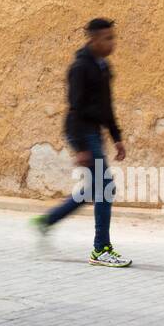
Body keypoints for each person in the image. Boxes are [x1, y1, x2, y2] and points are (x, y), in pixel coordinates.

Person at [32, 18, 132, 266]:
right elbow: (74, 107)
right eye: (107, 38)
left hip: (94, 133)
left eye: (113, 37)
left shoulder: (103, 67)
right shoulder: (80, 68)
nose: (112, 43)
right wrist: (81, 148)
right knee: (106, 188)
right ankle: (101, 249)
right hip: (82, 132)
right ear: (94, 40)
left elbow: (107, 106)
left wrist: (117, 137)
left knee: (94, 189)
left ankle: (48, 221)